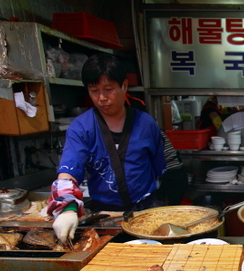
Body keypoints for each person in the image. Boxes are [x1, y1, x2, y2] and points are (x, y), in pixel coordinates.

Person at [47, 53, 166, 244]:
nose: (102, 98)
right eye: (94, 91)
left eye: (108, 89)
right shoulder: (81, 127)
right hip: (104, 214)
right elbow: (68, 172)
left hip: (145, 210)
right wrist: (67, 208)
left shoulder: (147, 124)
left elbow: (159, 166)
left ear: (124, 86)